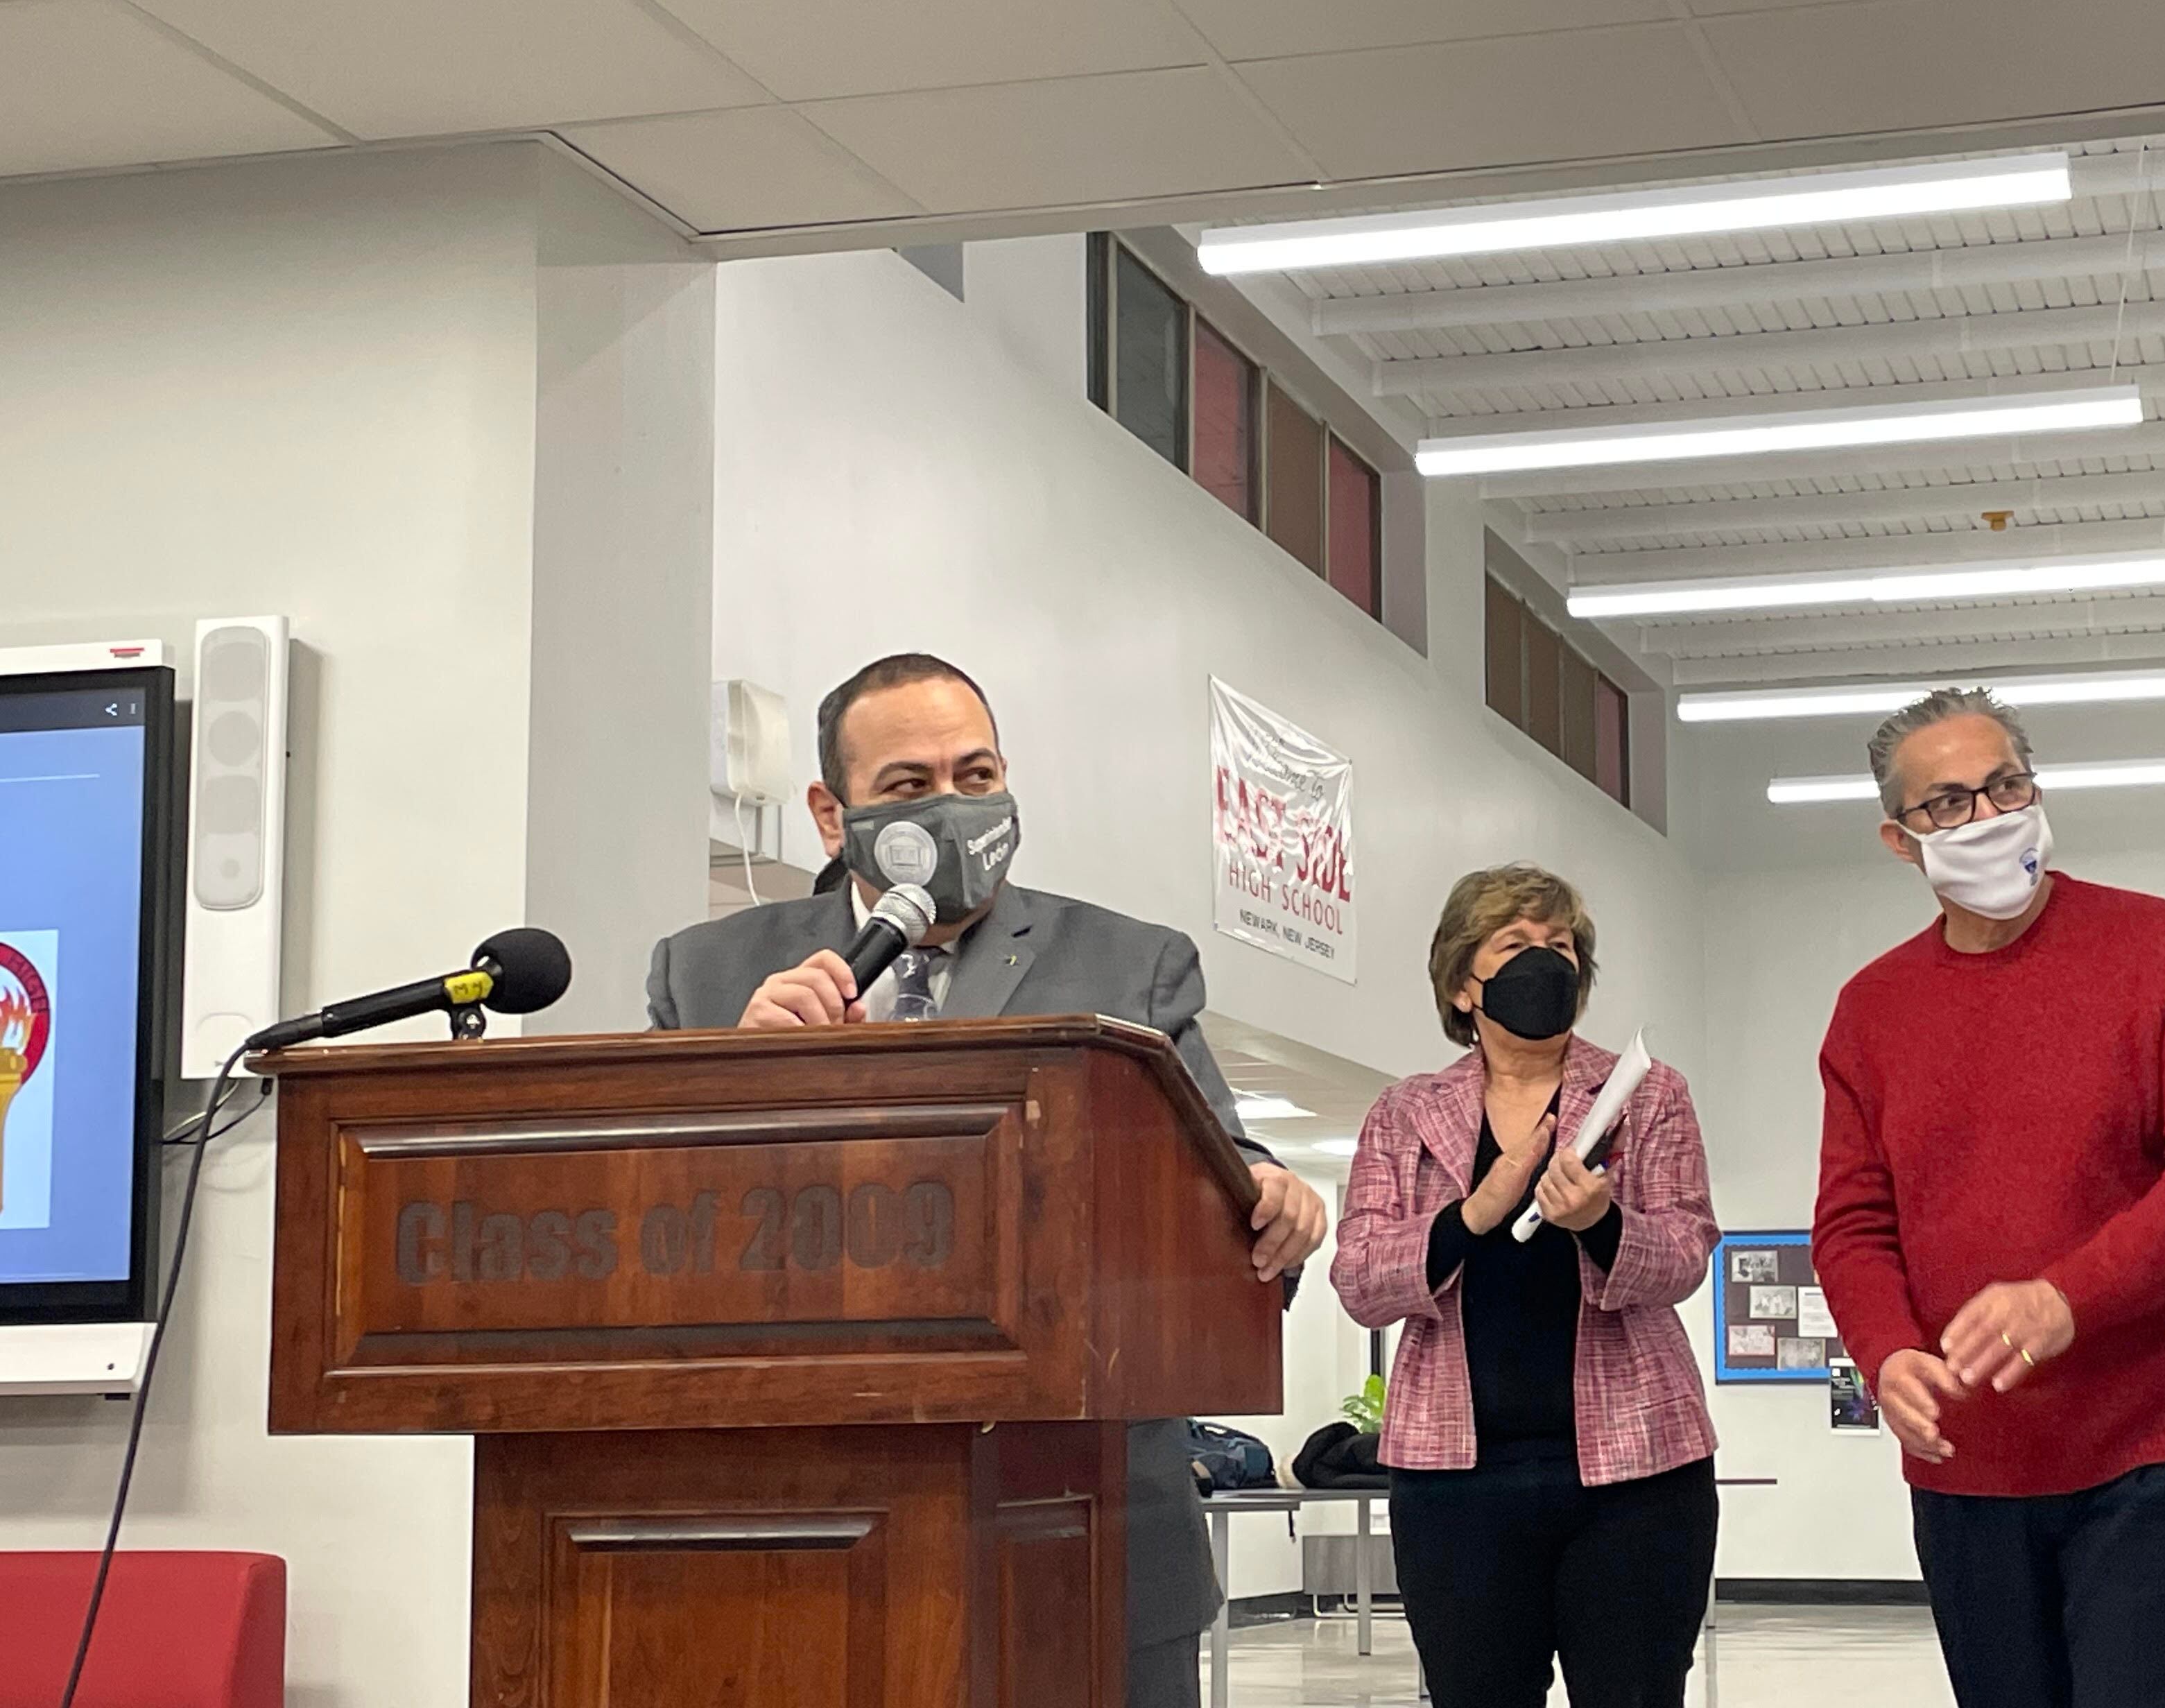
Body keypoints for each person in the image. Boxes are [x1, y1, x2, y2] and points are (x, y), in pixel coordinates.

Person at [644, 652, 1329, 1708]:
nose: (957, 808)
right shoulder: (709, 974)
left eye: (978, 775)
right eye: (911, 786)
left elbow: (1223, 1180)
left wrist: (1271, 1193)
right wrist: (738, 1079)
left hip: (1093, 1536)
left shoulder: (1131, 964)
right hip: (809, 1533)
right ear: (833, 815)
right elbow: (647, 1239)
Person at [1811, 689, 2165, 1708]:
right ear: (1899, 838)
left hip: (2164, 1442)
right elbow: (1852, 1221)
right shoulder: (1872, 1010)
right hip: (1971, 1459)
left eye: (2005, 786)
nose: (1987, 817)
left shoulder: (2156, 945)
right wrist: (1887, 1352)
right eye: (1948, 804)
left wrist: (2066, 1297)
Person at [1331, 865, 1718, 1708]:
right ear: (1463, 982)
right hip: (1454, 1484)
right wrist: (1470, 1217)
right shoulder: (1405, 1112)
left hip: (1637, 1478)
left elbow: (1688, 1253)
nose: (1545, 961)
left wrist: (1602, 1222)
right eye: (1514, 945)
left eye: (1561, 945)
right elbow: (1359, 1279)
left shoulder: (1647, 1095)